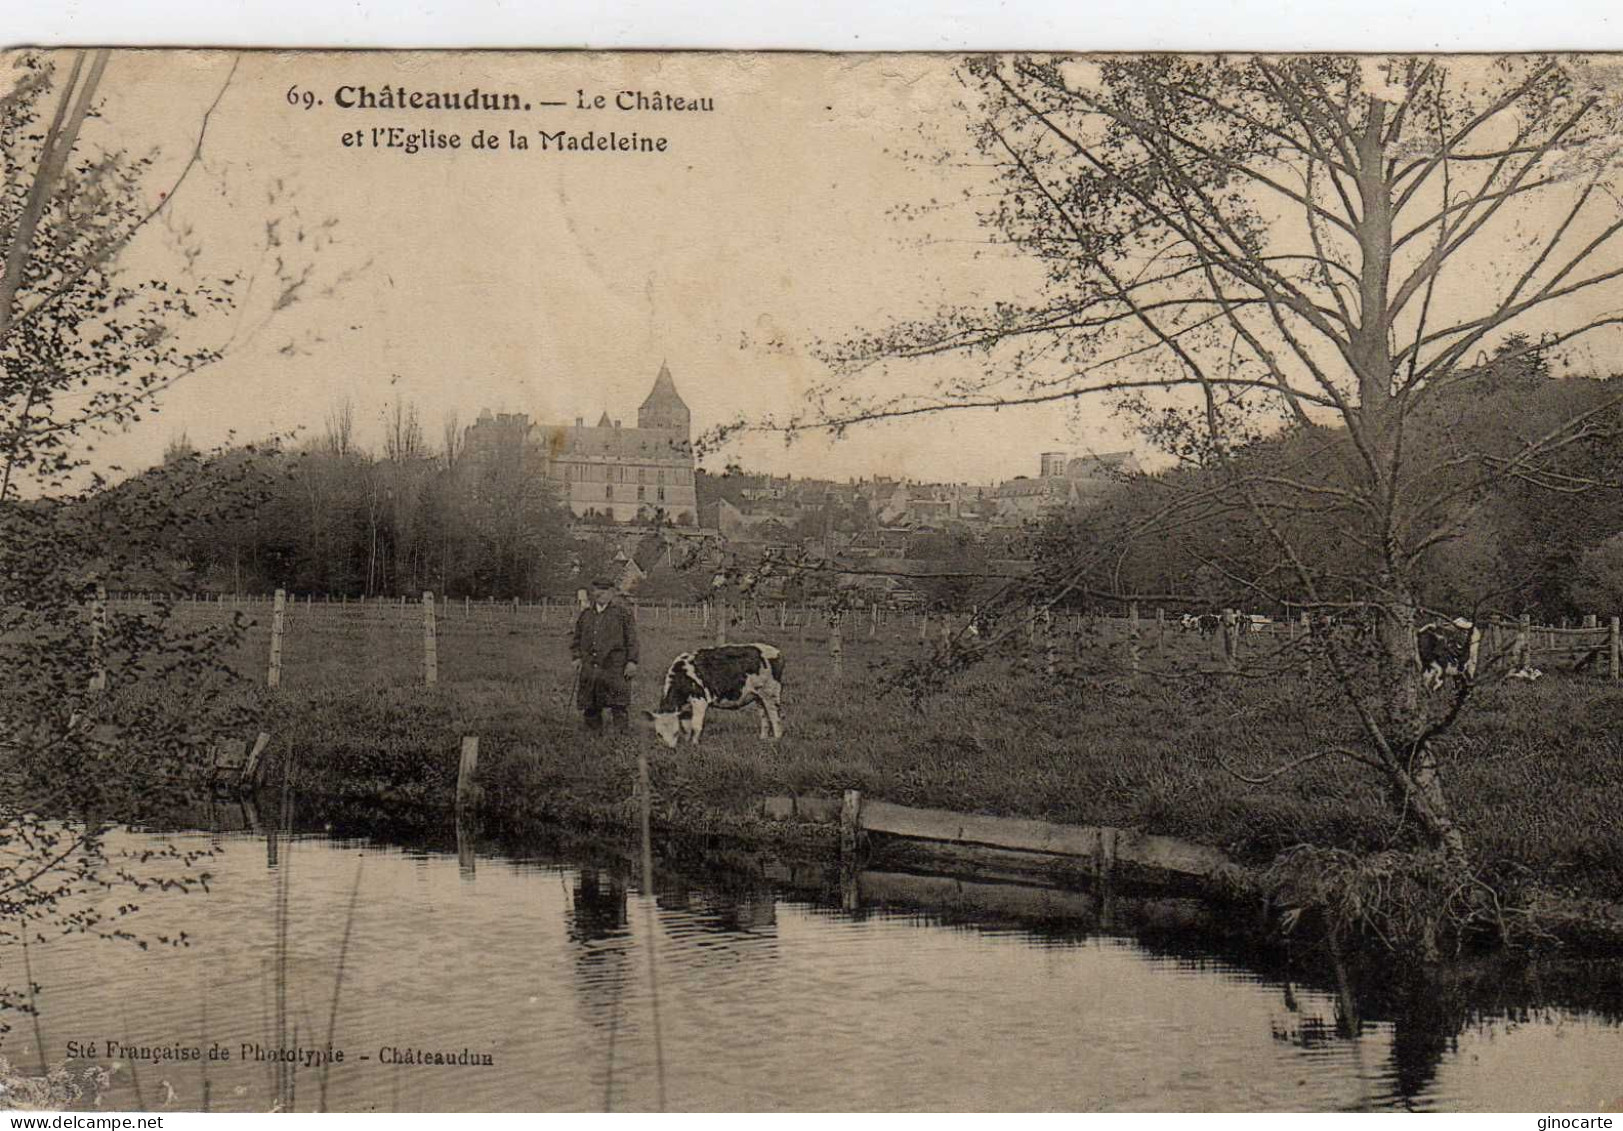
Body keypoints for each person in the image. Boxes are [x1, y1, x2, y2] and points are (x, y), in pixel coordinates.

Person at [571, 577, 639, 734]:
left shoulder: (622, 614)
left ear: (612, 593)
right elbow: (576, 639)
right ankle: (593, 736)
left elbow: (632, 640)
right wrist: (576, 657)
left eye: (604, 591)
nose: (599, 594)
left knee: (618, 704)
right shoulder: (586, 615)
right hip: (590, 666)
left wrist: (632, 662)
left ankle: (620, 738)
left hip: (615, 666)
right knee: (591, 702)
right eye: (596, 590)